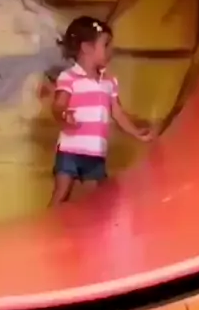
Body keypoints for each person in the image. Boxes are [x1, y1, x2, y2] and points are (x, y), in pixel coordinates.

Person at [49, 15, 156, 205]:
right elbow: (58, 104)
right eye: (106, 45)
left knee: (98, 197)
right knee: (61, 193)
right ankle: (48, 223)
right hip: (69, 150)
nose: (110, 50)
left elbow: (117, 112)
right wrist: (64, 114)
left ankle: (92, 223)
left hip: (95, 152)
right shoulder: (69, 77)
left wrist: (136, 132)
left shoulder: (109, 81)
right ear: (86, 48)